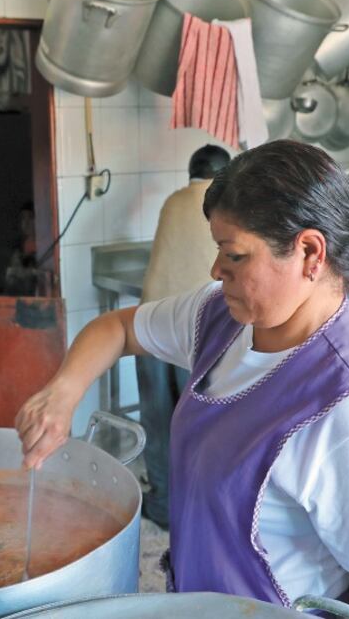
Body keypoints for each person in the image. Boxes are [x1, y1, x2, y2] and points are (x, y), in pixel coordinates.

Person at [16, 141, 349, 616]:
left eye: (233, 255)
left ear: (310, 252)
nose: (216, 269)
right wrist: (62, 392)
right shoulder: (220, 316)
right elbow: (118, 328)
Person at [136, 143, 231, 529]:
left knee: (157, 417)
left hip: (150, 322)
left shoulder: (174, 201)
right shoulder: (229, 208)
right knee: (196, 421)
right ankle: (199, 507)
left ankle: (161, 503)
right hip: (197, 327)